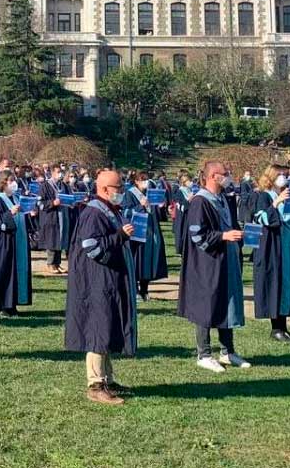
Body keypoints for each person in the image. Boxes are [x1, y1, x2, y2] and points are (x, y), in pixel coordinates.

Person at [64, 170, 137, 405]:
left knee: (107, 326)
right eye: (119, 188)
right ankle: (95, 384)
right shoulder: (94, 213)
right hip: (96, 282)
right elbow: (92, 247)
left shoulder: (109, 210)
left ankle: (108, 378)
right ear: (105, 189)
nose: (122, 193)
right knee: (98, 328)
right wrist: (119, 236)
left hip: (109, 279)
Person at [178, 161, 251, 373]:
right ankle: (204, 354)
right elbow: (197, 235)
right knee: (207, 306)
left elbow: (230, 226)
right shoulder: (200, 201)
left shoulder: (223, 199)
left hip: (226, 260)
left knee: (227, 304)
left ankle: (228, 351)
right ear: (212, 176)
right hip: (207, 263)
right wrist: (223, 236)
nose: (228, 177)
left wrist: (240, 234)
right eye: (225, 174)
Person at [251, 164, 290, 342]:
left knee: (287, 284)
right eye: (280, 175)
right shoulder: (263, 196)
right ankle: (275, 328)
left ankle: (284, 327)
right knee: (274, 284)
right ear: (271, 177)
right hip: (271, 246)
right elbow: (260, 218)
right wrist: (276, 202)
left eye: (286, 175)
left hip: (289, 245)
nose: (284, 178)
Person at [0, 170, 33, 317]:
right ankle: (4, 305)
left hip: (18, 240)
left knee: (17, 272)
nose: (14, 183)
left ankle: (13, 303)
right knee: (6, 272)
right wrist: (10, 213)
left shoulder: (16, 198)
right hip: (4, 243)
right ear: (3, 182)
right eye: (11, 180)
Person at [122, 172, 168, 300]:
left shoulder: (150, 193)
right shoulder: (130, 193)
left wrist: (160, 207)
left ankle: (145, 290)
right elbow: (125, 211)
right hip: (138, 231)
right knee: (138, 260)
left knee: (148, 260)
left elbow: (156, 214)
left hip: (151, 230)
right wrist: (140, 205)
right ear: (136, 181)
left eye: (147, 179)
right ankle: (135, 289)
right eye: (143, 180)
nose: (146, 182)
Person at [39, 161, 70, 275]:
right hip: (51, 217)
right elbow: (40, 203)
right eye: (57, 172)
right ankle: (50, 264)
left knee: (60, 240)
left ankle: (57, 263)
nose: (60, 174)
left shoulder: (64, 185)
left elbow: (69, 197)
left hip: (62, 215)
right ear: (52, 173)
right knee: (52, 240)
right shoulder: (45, 186)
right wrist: (53, 202)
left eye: (61, 172)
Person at [172, 173, 196, 255]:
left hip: (190, 215)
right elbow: (180, 206)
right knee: (183, 233)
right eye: (189, 180)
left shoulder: (190, 190)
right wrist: (189, 200)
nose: (191, 182)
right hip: (183, 217)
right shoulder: (180, 191)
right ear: (184, 182)